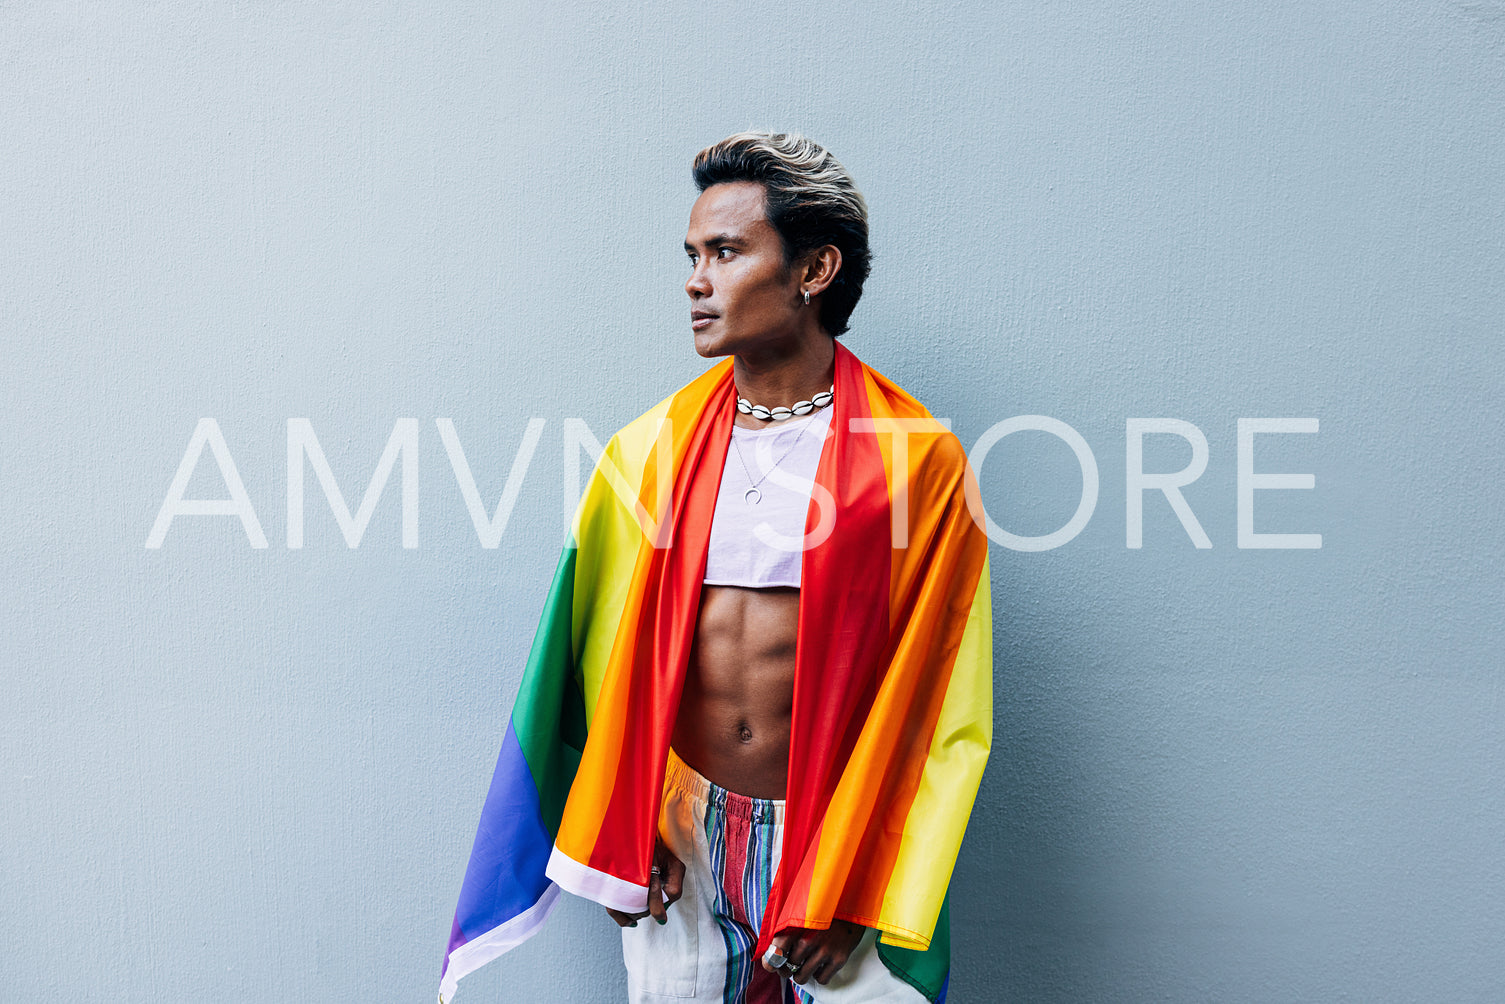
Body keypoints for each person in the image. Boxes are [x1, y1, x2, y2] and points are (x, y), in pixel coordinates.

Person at [441, 132, 992, 1004]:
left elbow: (935, 700)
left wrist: (858, 876)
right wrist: (627, 821)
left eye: (726, 252)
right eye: (693, 255)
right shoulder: (648, 450)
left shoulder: (913, 458)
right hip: (682, 836)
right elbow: (595, 656)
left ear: (813, 271)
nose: (696, 279)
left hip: (834, 840)